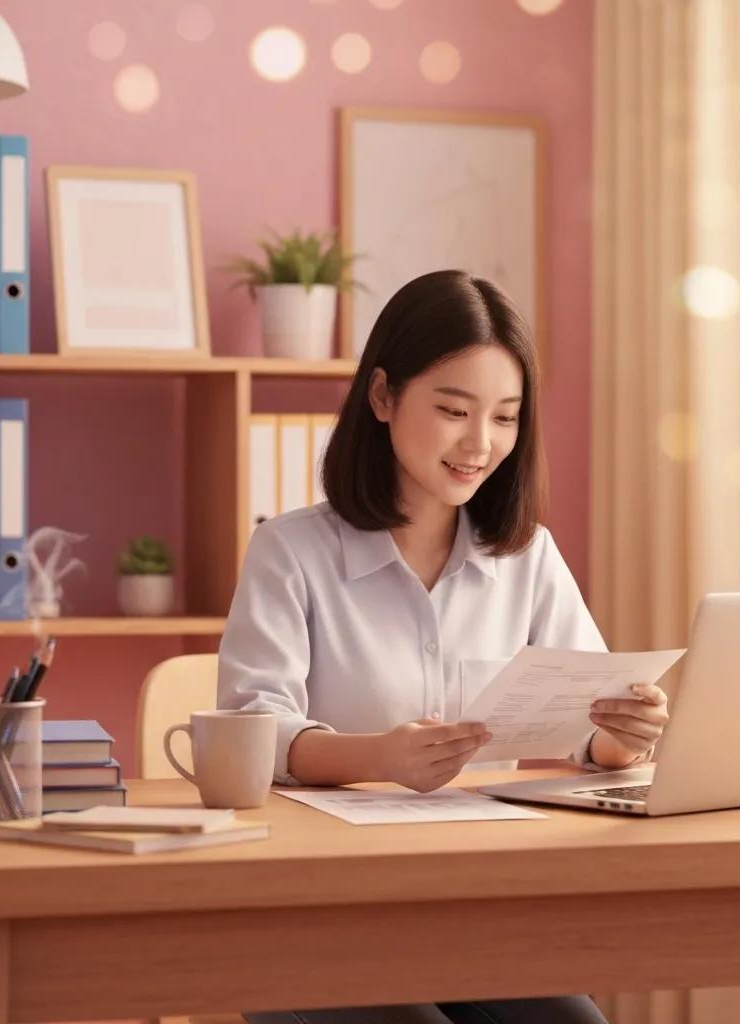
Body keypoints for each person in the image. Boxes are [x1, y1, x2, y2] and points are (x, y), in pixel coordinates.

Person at [218, 269, 670, 1024]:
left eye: (505, 417)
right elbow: (252, 731)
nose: (480, 444)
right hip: (314, 914)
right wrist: (380, 758)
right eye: (455, 410)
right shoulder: (290, 551)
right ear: (384, 398)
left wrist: (625, 735)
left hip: (475, 906)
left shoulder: (527, 557)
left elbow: (588, 717)